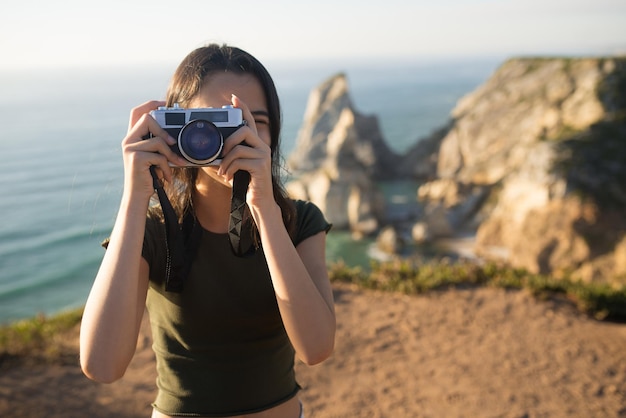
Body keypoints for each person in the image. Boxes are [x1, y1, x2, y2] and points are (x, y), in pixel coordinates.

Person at [80, 44, 336, 418]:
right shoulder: (151, 231)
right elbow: (102, 366)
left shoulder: (300, 222)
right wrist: (135, 198)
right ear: (174, 126)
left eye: (253, 122)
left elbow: (316, 349)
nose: (235, 137)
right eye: (214, 120)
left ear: (274, 133)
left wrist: (265, 211)